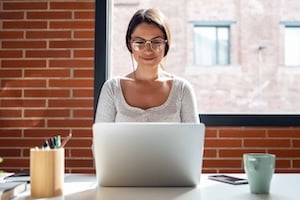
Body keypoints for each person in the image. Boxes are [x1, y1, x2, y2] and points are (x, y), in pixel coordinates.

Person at [95, 8, 199, 123]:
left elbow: (193, 139)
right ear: (130, 45)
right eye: (139, 42)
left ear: (166, 45)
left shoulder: (182, 89)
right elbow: (101, 139)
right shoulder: (112, 89)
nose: (148, 50)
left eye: (156, 42)